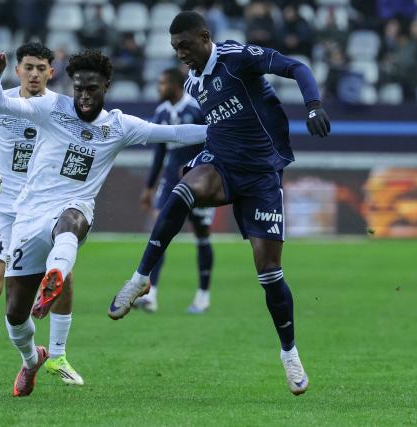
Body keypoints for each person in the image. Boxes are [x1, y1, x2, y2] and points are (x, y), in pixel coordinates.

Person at [109, 12, 330, 396]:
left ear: (205, 37)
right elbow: (215, 127)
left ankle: (289, 353)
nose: (181, 55)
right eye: (176, 48)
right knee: (181, 191)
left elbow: (297, 66)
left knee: (270, 273)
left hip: (262, 175)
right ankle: (140, 279)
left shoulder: (238, 58)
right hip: (223, 164)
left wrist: (313, 105)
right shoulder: (194, 82)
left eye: (186, 46)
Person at [0, 49, 207, 397]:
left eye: (92, 89)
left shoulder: (118, 126)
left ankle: (55, 276)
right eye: (79, 89)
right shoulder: (49, 107)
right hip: (29, 215)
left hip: (74, 208)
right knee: (14, 315)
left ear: (107, 86)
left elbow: (175, 132)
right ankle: (32, 359)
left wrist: (224, 129)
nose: (84, 96)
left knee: (71, 221)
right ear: (72, 86)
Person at [0, 43, 84, 387]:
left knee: (63, 278)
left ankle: (56, 356)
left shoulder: (61, 108)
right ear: (18, 71)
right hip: (0, 208)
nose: (34, 74)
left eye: (41, 68)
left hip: (42, 208)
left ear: (50, 72)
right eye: (28, 67)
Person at [134, 68, 214, 314]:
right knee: (160, 232)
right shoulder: (161, 112)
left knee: (201, 235)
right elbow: (158, 153)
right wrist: (148, 187)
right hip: (170, 183)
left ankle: (203, 295)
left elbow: (213, 143)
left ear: (176, 85)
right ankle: (151, 295)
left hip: (198, 181)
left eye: (162, 83)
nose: (158, 88)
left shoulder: (197, 109)